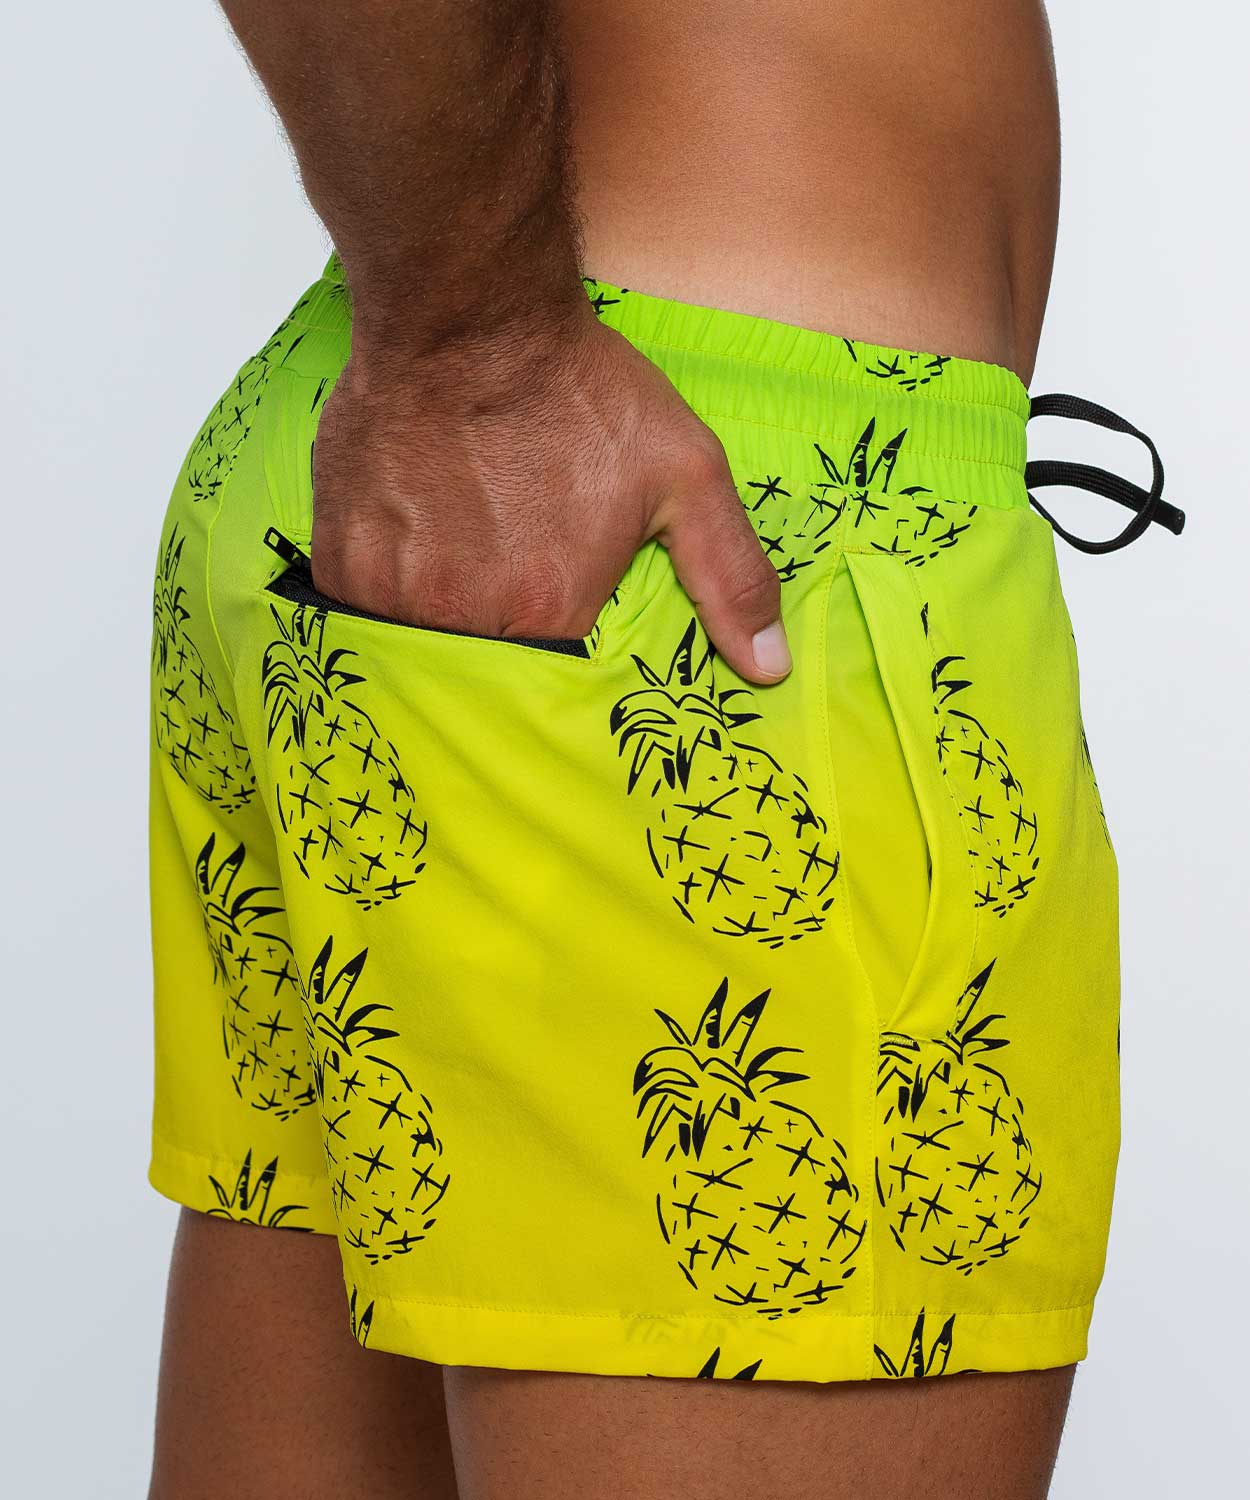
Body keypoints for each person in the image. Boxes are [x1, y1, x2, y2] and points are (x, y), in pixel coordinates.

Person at [145, 3, 1181, 1496]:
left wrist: (465, 363)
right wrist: (480, 360)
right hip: (687, 551)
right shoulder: (527, 398)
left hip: (452, 488)